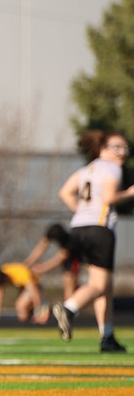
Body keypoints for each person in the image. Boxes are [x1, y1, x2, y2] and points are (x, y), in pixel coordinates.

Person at [51, 130, 134, 352]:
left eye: (125, 148)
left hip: (78, 229)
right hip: (99, 230)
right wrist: (129, 193)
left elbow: (65, 193)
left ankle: (107, 336)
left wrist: (82, 212)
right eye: (117, 147)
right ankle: (69, 308)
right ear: (103, 149)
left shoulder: (87, 169)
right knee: (98, 285)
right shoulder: (112, 168)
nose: (123, 152)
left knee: (104, 286)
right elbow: (109, 198)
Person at [23, 223, 79, 300]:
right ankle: (73, 300)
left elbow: (60, 258)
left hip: (76, 256)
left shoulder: (69, 243)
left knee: (69, 280)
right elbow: (41, 246)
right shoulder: (51, 232)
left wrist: (41, 268)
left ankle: (69, 304)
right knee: (70, 281)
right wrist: (27, 263)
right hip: (69, 256)